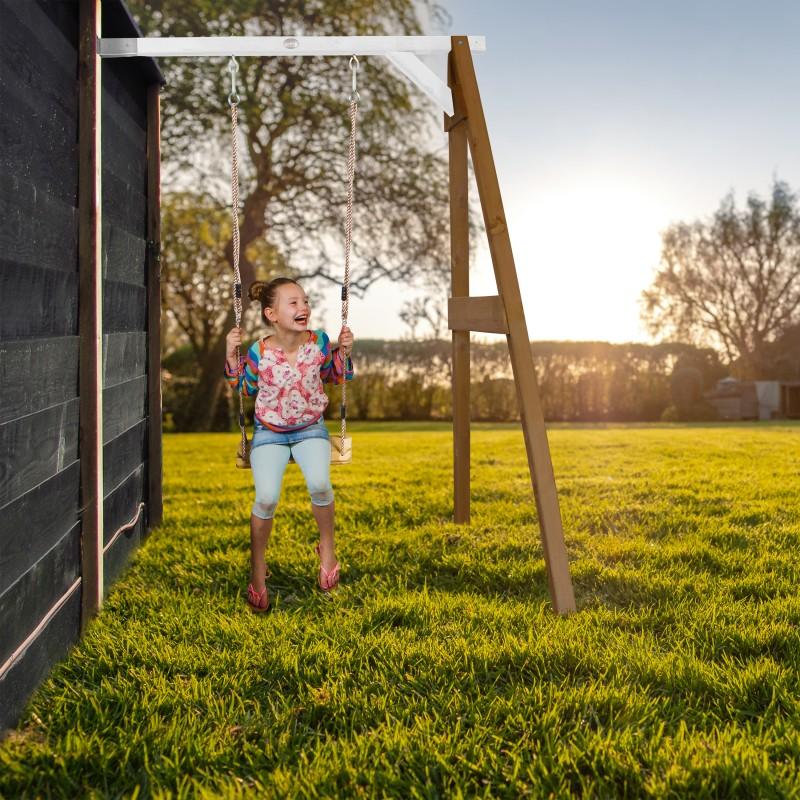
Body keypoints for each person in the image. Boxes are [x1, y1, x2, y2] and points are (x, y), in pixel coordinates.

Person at [224, 277, 354, 612]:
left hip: (310, 428)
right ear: (272, 314)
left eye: (305, 301)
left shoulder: (320, 342)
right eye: (293, 303)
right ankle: (257, 566)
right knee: (266, 498)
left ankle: (327, 548)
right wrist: (230, 352)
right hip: (269, 432)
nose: (304, 307)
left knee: (321, 485)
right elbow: (242, 385)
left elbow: (335, 376)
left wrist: (344, 352)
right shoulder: (259, 351)